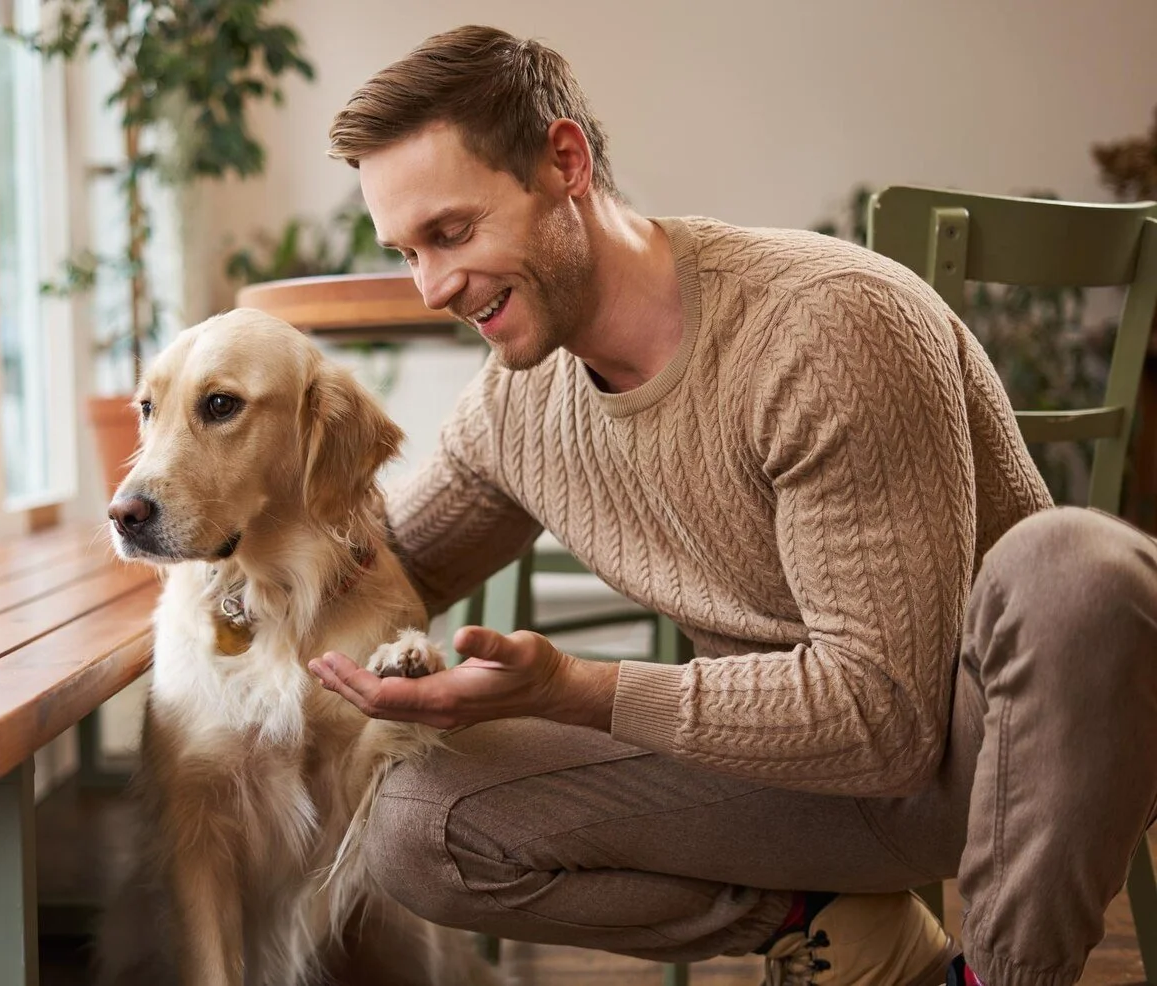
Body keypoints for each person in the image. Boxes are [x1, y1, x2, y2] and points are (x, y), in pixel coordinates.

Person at [303, 24, 1157, 986]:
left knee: (1075, 569)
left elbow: (887, 723)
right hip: (785, 788)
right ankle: (830, 928)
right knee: (417, 824)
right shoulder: (515, 409)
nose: (431, 287)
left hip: (975, 766)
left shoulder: (822, 326)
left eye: (451, 233)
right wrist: (213, 513)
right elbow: (374, 566)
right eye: (407, 251)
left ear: (566, 162)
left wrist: (575, 689)